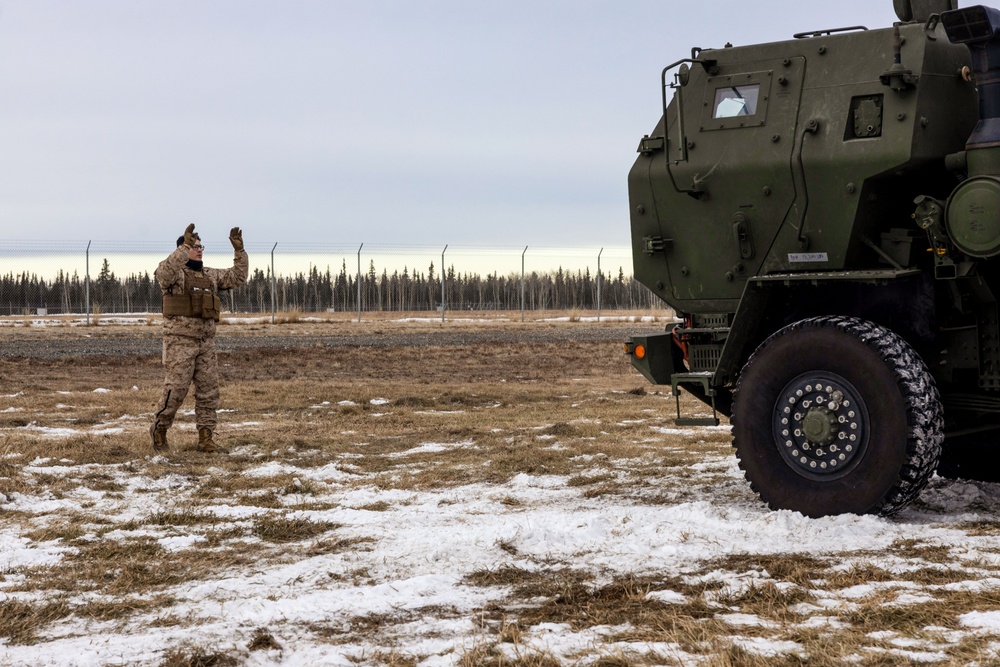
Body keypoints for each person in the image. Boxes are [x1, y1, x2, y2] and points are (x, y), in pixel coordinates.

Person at [150, 224, 248, 453]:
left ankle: (206, 437)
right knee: (176, 390)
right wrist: (183, 247)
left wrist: (240, 252)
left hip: (205, 343)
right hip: (180, 342)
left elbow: (238, 277)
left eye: (200, 246)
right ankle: (160, 429)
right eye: (194, 246)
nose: (199, 249)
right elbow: (163, 273)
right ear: (182, 249)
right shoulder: (174, 275)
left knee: (208, 391)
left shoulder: (210, 275)